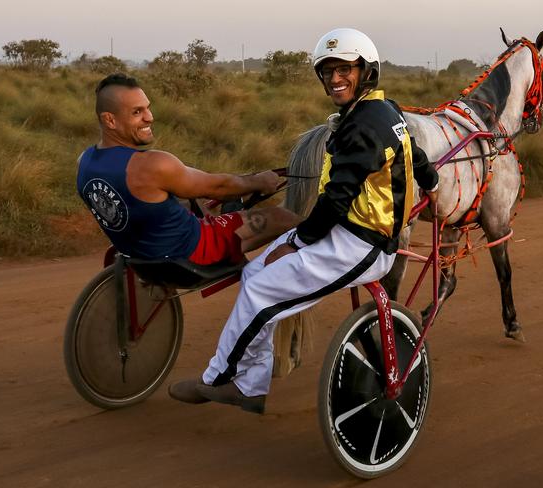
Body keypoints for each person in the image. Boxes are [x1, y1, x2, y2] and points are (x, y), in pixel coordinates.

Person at [169, 28, 439, 414]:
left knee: (260, 292)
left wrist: (297, 242)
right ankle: (250, 380)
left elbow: (335, 199)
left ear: (366, 71)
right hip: (342, 230)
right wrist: (431, 180)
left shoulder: (364, 124)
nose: (334, 79)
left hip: (361, 244)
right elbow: (413, 152)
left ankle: (219, 380)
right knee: (254, 275)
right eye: (327, 71)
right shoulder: (384, 109)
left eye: (345, 69)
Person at [77, 73, 301, 266]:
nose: (150, 117)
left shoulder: (84, 162)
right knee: (281, 216)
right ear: (110, 120)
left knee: (192, 204)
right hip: (192, 251)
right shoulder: (152, 165)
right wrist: (259, 181)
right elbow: (218, 187)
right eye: (137, 112)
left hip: (138, 252)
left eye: (148, 108)